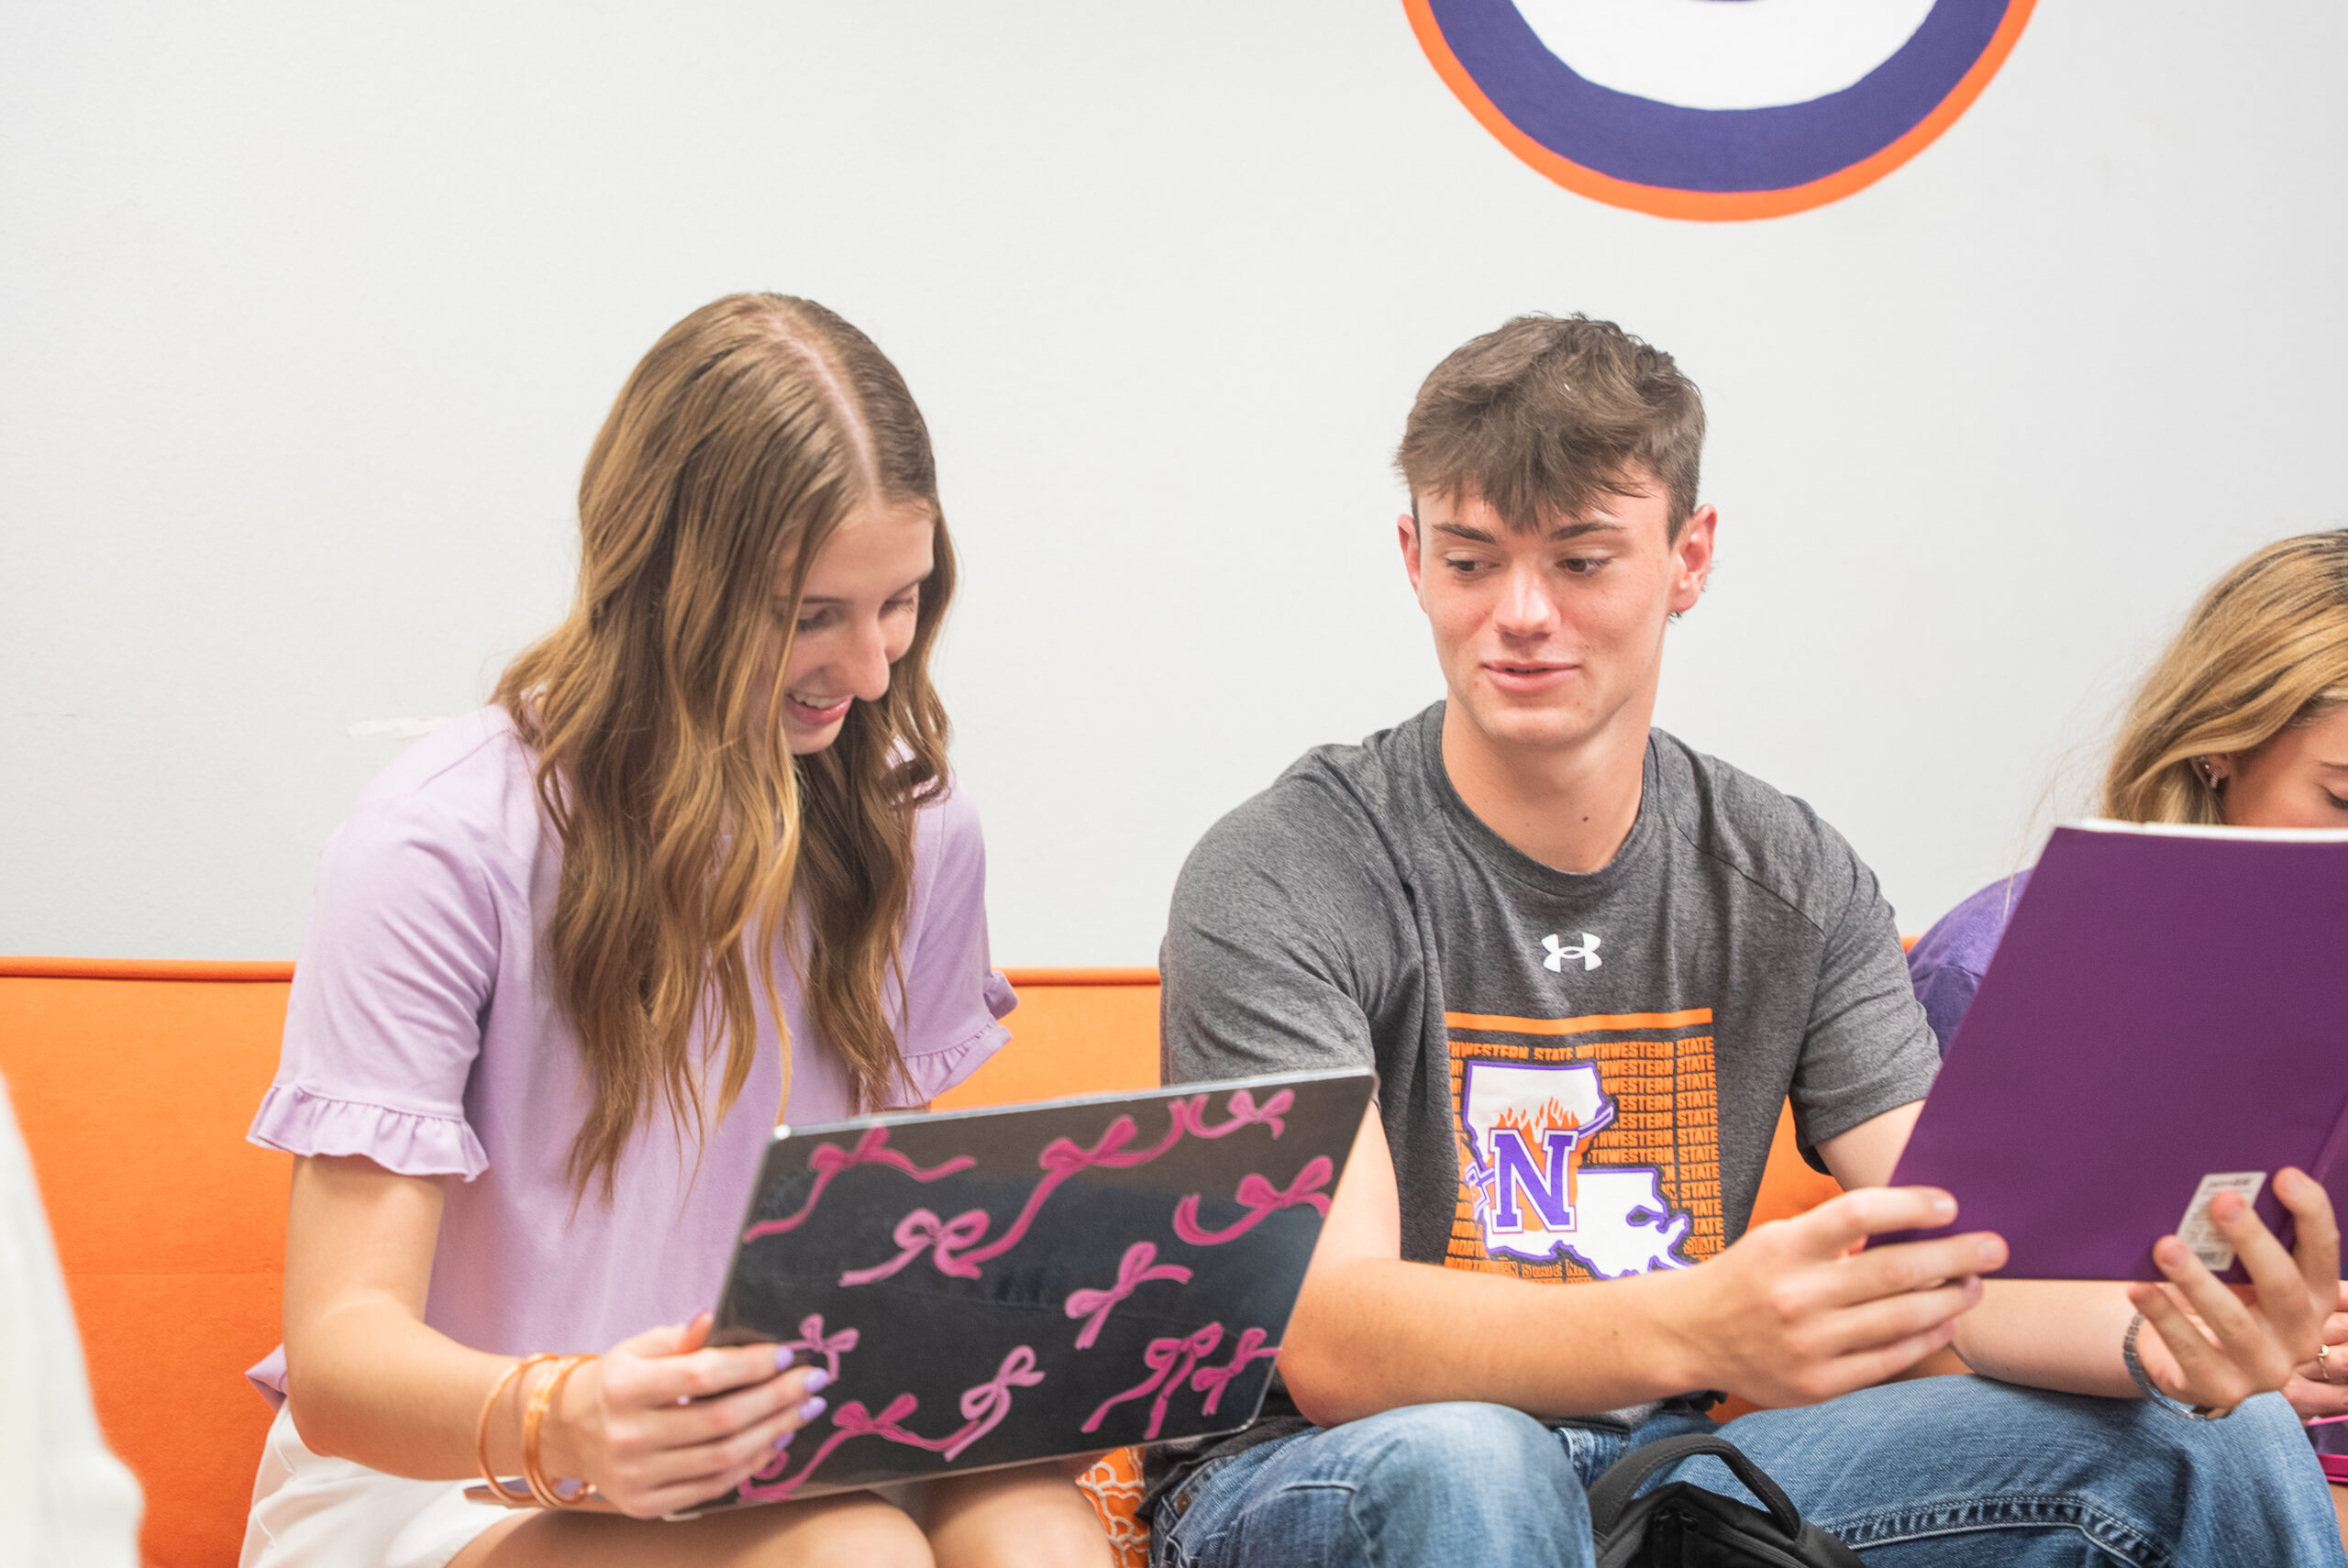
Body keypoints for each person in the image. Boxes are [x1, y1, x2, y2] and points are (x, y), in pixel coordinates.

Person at [1149, 315, 2343, 1566]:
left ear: (1689, 555)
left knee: (2224, 1432)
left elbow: (1968, 1259)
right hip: (1317, 1474)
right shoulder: (1282, 870)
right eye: (1470, 560)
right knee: (1475, 1455)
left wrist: (2170, 1339)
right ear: (1412, 556)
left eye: (1580, 560)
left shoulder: (1791, 875)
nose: (1520, 614)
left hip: (1662, 1470)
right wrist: (1699, 1326)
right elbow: (1332, 1338)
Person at [238, 295, 1113, 1568]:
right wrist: (568, 1411)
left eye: (901, 603)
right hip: (459, 1478)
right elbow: (341, 1358)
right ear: (664, 580)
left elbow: (871, 1261)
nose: (870, 670)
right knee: (849, 1557)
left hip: (776, 1452)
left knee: (1036, 1535)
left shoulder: (916, 827)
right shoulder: (436, 842)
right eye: (812, 613)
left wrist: (1021, 1354)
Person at [1908, 528, 2348, 1433]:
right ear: (2217, 747)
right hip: (2137, 1436)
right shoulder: (1993, 963)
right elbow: (1927, 1336)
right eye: (2342, 797)